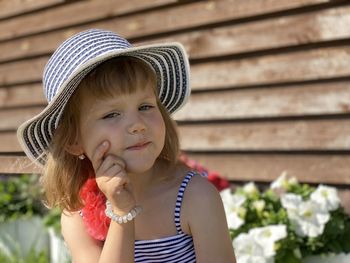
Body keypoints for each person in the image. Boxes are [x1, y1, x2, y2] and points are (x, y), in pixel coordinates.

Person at [17, 29, 236, 263]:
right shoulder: (77, 216)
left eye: (145, 107)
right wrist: (122, 214)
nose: (137, 125)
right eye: (112, 114)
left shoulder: (195, 196)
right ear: (73, 140)